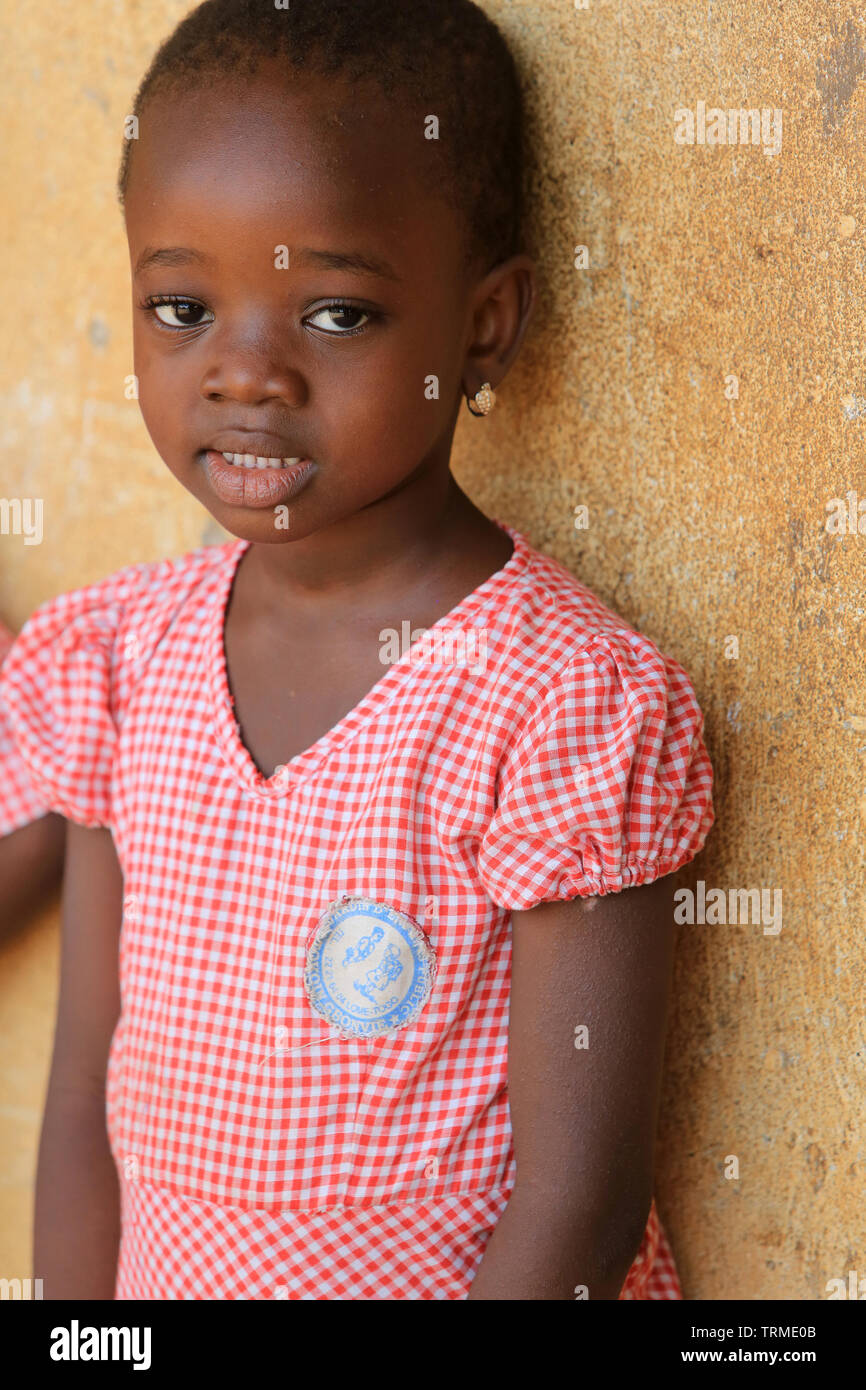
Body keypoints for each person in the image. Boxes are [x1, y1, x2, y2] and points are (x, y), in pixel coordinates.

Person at [0, 0, 714, 1300]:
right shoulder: (119, 664)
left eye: (333, 314)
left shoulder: (554, 701)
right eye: (180, 306)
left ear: (484, 325)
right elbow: (85, 1119)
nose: (245, 374)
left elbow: (581, 1206)